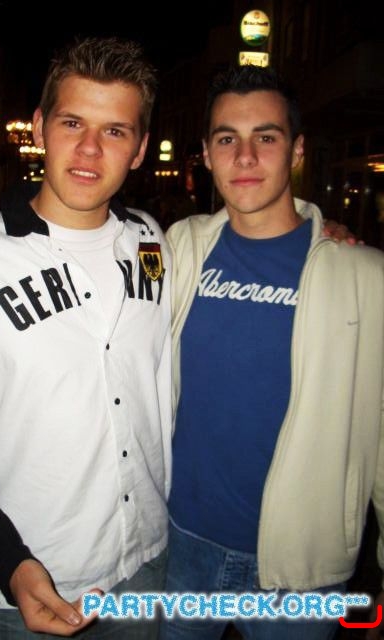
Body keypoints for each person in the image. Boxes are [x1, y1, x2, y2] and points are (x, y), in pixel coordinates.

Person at [0, 37, 172, 639]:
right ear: (39, 127)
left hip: (145, 567)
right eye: (72, 123)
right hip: (30, 584)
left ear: (139, 150)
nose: (89, 149)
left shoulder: (152, 242)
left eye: (115, 131)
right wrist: (11, 564)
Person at [160, 64, 384, 640]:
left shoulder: (364, 277)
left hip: (302, 569)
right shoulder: (177, 248)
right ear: (206, 154)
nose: (245, 157)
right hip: (183, 545)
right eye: (226, 139)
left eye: (266, 137)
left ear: (297, 149)